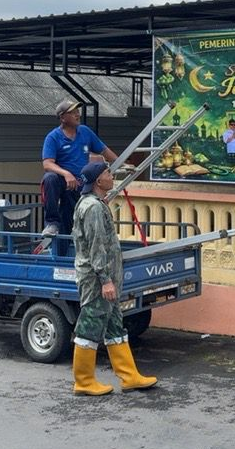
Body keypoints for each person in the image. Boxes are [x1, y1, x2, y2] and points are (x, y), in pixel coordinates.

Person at [70, 162, 158, 395]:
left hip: (104, 278)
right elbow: (96, 247)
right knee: (90, 327)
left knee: (115, 326)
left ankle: (129, 377)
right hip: (96, 280)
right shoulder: (93, 208)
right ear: (99, 181)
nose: (112, 176)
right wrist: (105, 280)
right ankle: (84, 381)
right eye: (108, 173)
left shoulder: (96, 204)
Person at [42, 99, 119, 235]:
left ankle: (69, 243)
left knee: (70, 217)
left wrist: (121, 163)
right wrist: (66, 174)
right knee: (50, 178)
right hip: (63, 181)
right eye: (72, 113)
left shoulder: (85, 132)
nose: (77, 115)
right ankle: (52, 223)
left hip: (81, 182)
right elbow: (47, 164)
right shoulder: (53, 137)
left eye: (77, 112)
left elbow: (104, 150)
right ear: (62, 118)